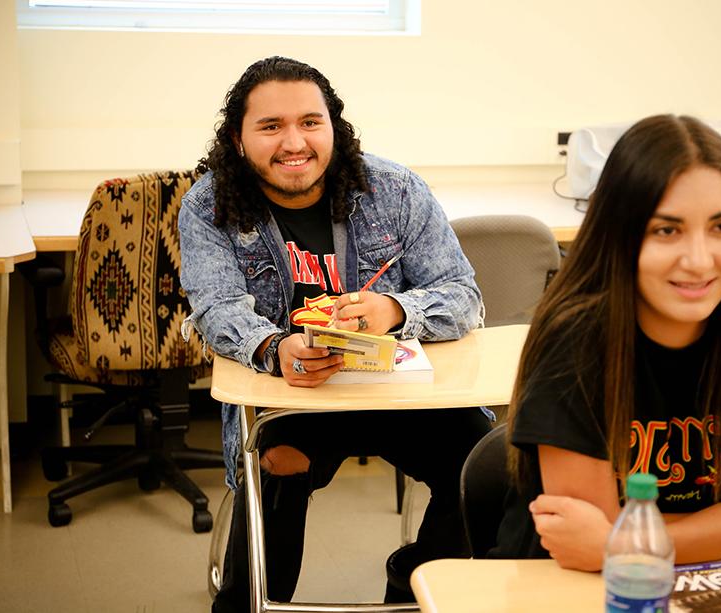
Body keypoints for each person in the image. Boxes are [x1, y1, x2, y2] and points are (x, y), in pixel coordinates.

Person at [178, 56, 490, 610]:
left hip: (399, 392)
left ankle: (415, 579)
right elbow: (217, 308)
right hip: (292, 398)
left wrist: (393, 308)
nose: (293, 142)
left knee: (488, 465)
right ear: (238, 139)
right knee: (279, 470)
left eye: (309, 122)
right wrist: (276, 349)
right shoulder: (209, 205)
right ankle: (247, 604)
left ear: (334, 127)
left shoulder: (393, 189)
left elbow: (463, 296)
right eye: (270, 127)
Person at [490, 114, 721, 569]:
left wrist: (622, 543)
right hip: (559, 583)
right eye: (666, 230)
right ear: (620, 234)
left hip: (709, 575)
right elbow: (584, 549)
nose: (699, 260)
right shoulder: (574, 337)